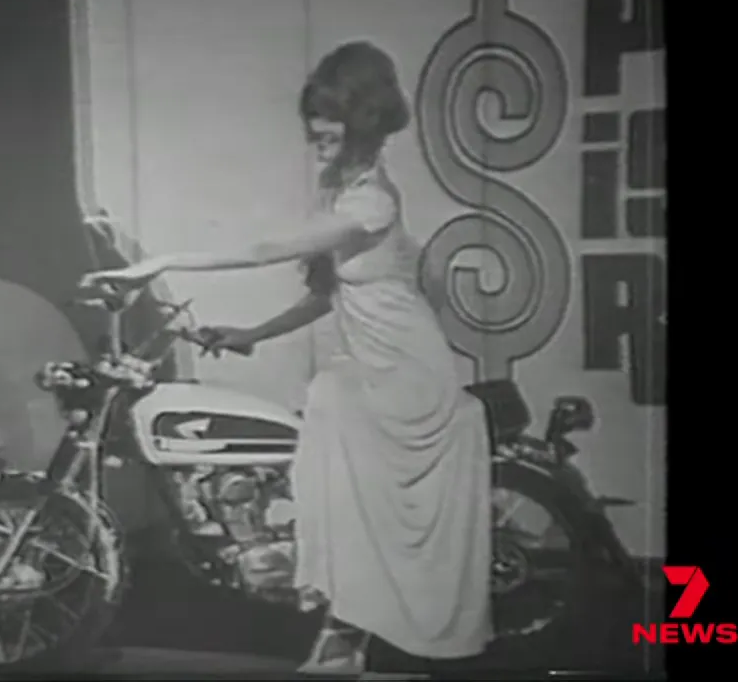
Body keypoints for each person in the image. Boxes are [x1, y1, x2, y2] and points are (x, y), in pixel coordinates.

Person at [80, 40, 492, 677]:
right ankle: (340, 630)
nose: (317, 130)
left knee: (331, 424)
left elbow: (264, 249)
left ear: (364, 119)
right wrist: (254, 333)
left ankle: (343, 637)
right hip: (376, 365)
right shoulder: (341, 189)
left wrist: (160, 262)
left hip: (407, 374)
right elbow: (328, 294)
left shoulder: (370, 203)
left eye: (330, 117)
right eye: (315, 117)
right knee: (323, 428)